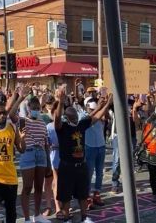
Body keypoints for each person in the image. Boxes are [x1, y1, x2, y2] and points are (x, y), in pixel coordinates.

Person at [54, 88, 112, 223]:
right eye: (72, 115)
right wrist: (61, 102)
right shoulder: (62, 128)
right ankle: (67, 217)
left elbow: (96, 117)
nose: (75, 116)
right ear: (67, 117)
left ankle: (85, 217)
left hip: (81, 165)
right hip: (67, 166)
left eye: (75, 115)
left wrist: (107, 104)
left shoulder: (80, 125)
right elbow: (57, 118)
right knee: (66, 196)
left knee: (82, 194)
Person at [84, 98, 107, 208]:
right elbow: (87, 120)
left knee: (99, 173)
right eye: (92, 108)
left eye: (95, 108)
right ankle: (87, 197)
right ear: (87, 107)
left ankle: (97, 194)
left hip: (101, 146)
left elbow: (104, 118)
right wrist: (97, 109)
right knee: (88, 173)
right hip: (89, 147)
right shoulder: (83, 116)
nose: (94, 110)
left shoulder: (101, 115)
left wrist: (105, 105)